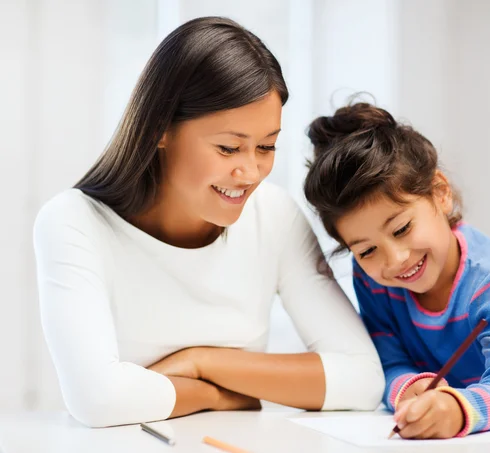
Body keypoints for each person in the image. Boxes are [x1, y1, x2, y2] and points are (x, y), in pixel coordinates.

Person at [33, 18, 384, 428]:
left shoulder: (273, 216)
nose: (250, 171)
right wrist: (223, 396)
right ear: (161, 129)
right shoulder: (73, 223)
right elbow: (96, 400)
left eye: (267, 147)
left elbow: (362, 380)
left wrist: (201, 363)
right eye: (229, 147)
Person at [303, 101, 490, 439]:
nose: (395, 259)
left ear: (440, 193)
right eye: (367, 250)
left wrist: (459, 410)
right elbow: (388, 361)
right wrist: (409, 388)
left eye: (401, 229)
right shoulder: (372, 281)